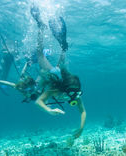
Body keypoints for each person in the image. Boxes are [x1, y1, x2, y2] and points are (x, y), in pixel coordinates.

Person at [31, 5, 86, 138]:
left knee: (61, 65)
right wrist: (49, 110)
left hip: (59, 74)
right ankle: (41, 27)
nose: (71, 98)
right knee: (40, 56)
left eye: (74, 95)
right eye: (70, 94)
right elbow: (38, 101)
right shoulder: (57, 90)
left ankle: (63, 48)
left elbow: (83, 111)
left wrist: (81, 128)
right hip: (53, 76)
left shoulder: (75, 94)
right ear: (63, 89)